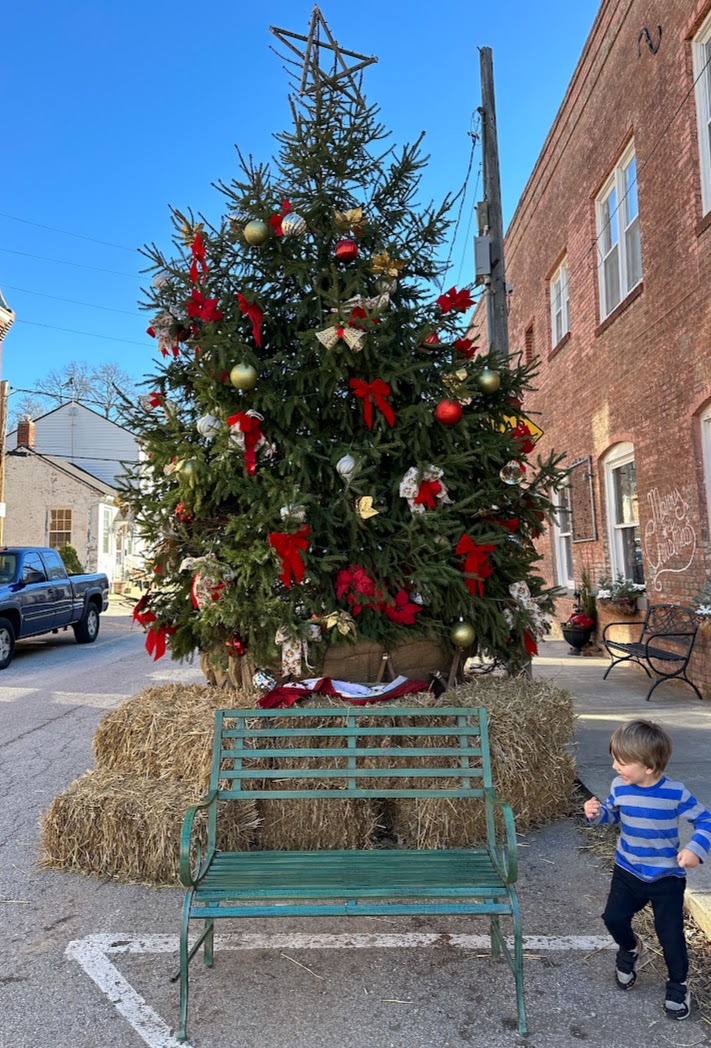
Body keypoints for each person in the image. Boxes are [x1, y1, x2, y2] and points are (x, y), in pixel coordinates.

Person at [584, 718, 711, 1020]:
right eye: (614, 758)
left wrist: (695, 849)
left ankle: (678, 984)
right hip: (627, 870)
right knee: (613, 918)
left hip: (666, 877)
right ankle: (631, 948)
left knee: (670, 937)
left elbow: (705, 821)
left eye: (621, 761)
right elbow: (613, 817)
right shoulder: (619, 786)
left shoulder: (675, 793)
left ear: (649, 766)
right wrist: (596, 813)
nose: (614, 766)